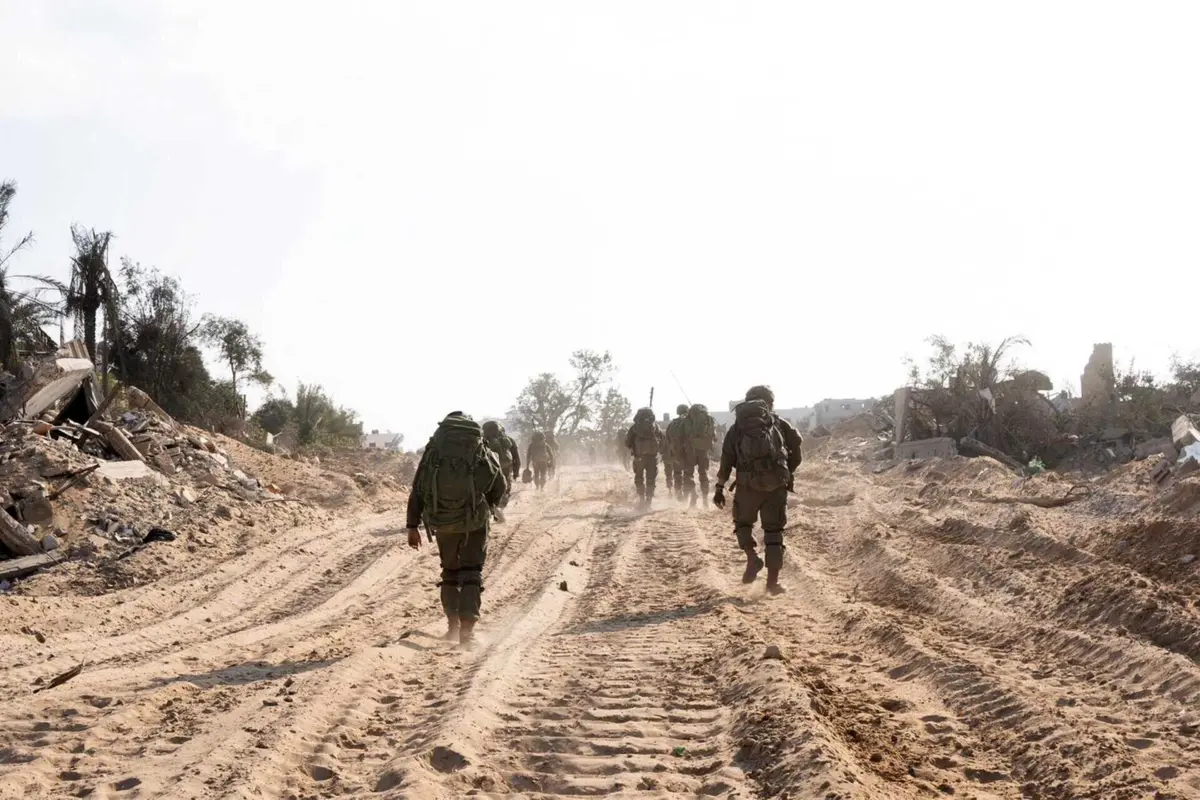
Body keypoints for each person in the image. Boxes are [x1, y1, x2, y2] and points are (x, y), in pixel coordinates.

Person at [406, 412, 507, 647]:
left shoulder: (433, 454)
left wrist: (412, 526)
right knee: (471, 572)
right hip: (475, 523)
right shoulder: (482, 451)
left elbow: (418, 490)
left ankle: (452, 627)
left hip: (443, 522)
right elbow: (498, 486)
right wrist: (487, 506)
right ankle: (467, 634)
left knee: (450, 572)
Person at [712, 386, 803, 594]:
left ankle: (752, 557)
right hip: (776, 486)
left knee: (743, 523)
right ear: (769, 403)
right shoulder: (780, 424)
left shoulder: (738, 428)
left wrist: (719, 487)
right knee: (774, 531)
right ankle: (773, 584)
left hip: (747, 486)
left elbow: (726, 460)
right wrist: (787, 473)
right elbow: (797, 450)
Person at [624, 407, 663, 509]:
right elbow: (663, 440)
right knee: (651, 479)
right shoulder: (656, 427)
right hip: (652, 458)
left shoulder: (634, 428)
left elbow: (627, 443)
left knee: (639, 478)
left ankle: (641, 500)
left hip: (639, 457)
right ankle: (648, 502)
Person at [482, 420, 521, 522]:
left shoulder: (483, 441)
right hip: (506, 467)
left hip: (489, 468)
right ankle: (500, 508)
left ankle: (492, 510)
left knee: (489, 490)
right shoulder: (508, 440)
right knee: (506, 489)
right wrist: (516, 471)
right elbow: (516, 457)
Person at [682, 403, 716, 507]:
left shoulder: (687, 420)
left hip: (691, 451)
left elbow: (680, 436)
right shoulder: (709, 419)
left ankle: (693, 496)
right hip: (704, 451)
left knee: (688, 474)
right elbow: (714, 437)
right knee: (703, 474)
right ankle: (705, 500)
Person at [664, 404, 689, 500]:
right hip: (688, 453)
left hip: (676, 453)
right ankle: (686, 495)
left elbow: (667, 439)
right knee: (687, 474)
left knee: (677, 473)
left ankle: (678, 493)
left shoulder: (673, 424)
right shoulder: (689, 422)